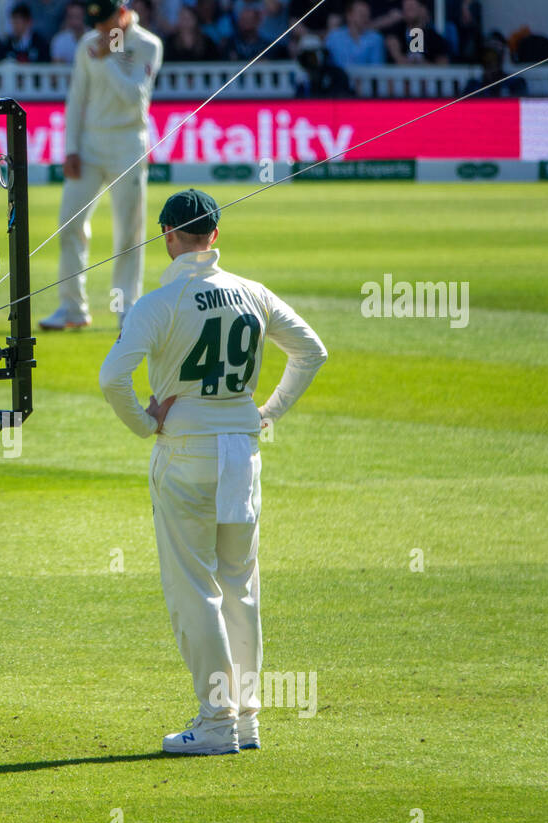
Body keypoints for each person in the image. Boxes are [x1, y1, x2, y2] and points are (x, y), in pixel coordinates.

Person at [98, 189, 326, 755]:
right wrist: (266, 412)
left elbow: (112, 378)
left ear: (169, 237)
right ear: (215, 237)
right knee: (240, 587)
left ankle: (219, 721)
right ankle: (244, 721)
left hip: (187, 452)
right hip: (241, 453)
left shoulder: (159, 302)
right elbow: (311, 351)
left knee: (194, 590)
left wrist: (145, 422)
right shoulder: (252, 294)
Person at [41, 0, 162, 332]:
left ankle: (126, 309)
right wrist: (71, 149)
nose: (101, 31)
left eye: (107, 22)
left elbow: (135, 97)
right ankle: (72, 308)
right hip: (91, 145)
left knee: (128, 231)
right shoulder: (88, 43)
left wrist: (108, 60)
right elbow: (77, 98)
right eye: (96, 24)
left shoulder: (147, 44)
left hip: (128, 144)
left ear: (122, 14)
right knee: (69, 223)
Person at [323, 0, 384, 70]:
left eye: (367, 14)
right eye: (361, 14)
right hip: (338, 79)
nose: (365, 17)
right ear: (349, 15)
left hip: (364, 79)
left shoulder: (376, 38)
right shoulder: (333, 37)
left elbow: (377, 69)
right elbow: (326, 65)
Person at [384, 0, 448, 65]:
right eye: (406, 8)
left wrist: (423, 64)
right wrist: (400, 58)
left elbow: (443, 65)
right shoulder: (395, 34)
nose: (408, 11)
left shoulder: (435, 38)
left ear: (423, 9)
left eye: (411, 8)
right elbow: (392, 43)